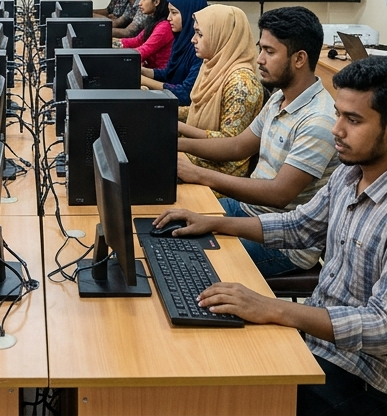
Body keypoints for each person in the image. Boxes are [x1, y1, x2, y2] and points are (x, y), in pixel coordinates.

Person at [153, 57, 387, 416]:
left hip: (363, 378)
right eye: (338, 114)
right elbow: (299, 225)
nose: (336, 130)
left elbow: (381, 326)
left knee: (218, 394)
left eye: (353, 120)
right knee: (201, 356)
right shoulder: (349, 174)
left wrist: (272, 308)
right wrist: (215, 223)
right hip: (317, 344)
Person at [176, 6, 338, 277]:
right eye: (260, 49)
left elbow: (278, 194)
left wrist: (198, 174)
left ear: (299, 58)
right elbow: (237, 146)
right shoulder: (279, 98)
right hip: (249, 211)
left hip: (285, 243)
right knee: (165, 222)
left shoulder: (318, 119)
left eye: (269, 52)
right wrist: (175, 144)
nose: (259, 59)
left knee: (185, 260)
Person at [178, 4, 264, 179]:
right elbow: (197, 109)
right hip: (199, 155)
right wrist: (165, 112)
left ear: (222, 37)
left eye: (200, 34)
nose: (193, 40)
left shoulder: (242, 83)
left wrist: (177, 128)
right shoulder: (212, 66)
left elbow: (228, 140)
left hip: (221, 171)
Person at [141, 0, 209, 106]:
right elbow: (168, 73)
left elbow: (185, 94)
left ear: (189, 14)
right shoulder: (180, 40)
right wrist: (139, 70)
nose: (168, 18)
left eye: (174, 13)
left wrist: (143, 80)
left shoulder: (201, 48)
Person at [119, 0, 173, 70]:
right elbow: (137, 40)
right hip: (150, 71)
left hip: (158, 75)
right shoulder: (153, 20)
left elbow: (144, 50)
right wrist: (113, 44)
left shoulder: (164, 26)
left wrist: (114, 55)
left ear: (156, 2)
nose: (140, 3)